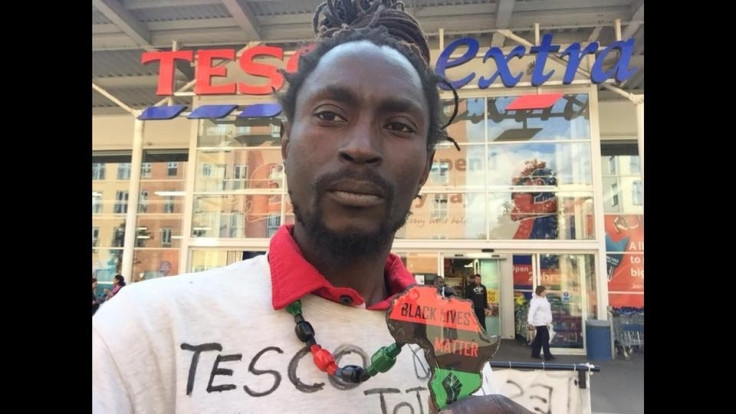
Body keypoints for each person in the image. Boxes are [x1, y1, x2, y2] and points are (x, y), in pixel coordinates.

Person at [93, 1, 531, 413]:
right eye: (329, 115)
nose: (361, 148)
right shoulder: (145, 327)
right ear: (285, 141)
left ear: (425, 169)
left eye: (398, 125)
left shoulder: (454, 342)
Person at [527, 285, 555, 361]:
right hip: (540, 322)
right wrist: (530, 322)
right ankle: (547, 355)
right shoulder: (536, 301)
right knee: (545, 338)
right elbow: (532, 311)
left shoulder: (544, 299)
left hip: (543, 322)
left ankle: (535, 354)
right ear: (540, 292)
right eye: (544, 291)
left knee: (539, 339)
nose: (545, 292)